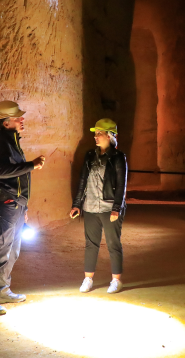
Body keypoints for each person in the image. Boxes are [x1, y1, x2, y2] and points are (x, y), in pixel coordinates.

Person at [0, 100, 46, 315]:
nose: (22, 120)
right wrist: (31, 165)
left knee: (13, 250)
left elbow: (18, 178)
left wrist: (24, 208)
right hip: (6, 206)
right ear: (7, 123)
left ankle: (3, 289)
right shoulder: (1, 145)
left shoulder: (14, 143)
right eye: (18, 118)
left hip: (16, 206)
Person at [69, 118, 128, 294]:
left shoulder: (118, 157)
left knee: (113, 243)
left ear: (110, 136)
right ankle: (88, 279)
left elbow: (121, 184)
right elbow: (82, 181)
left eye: (100, 134)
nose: (96, 137)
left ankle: (116, 280)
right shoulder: (90, 156)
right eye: (95, 134)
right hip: (90, 207)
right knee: (91, 244)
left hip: (109, 207)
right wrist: (77, 204)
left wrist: (117, 208)